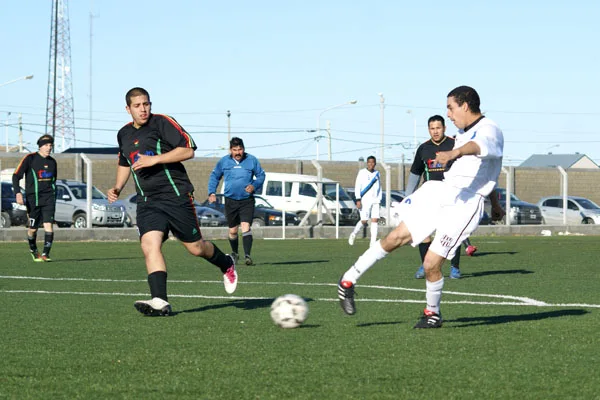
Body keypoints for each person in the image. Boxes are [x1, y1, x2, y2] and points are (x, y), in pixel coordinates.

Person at [337, 86, 505, 328]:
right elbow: (486, 172)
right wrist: (497, 203)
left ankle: (432, 314)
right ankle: (348, 281)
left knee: (431, 264)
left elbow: (480, 149)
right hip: (442, 191)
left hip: (465, 204)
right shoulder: (462, 131)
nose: (448, 114)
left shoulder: (489, 129)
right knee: (395, 237)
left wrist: (454, 153)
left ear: (465, 105)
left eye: (450, 107)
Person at [107, 87, 237, 317]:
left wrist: (154, 160)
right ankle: (160, 300)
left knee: (196, 248)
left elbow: (188, 150)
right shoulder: (123, 134)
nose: (143, 109)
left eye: (146, 104)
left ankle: (225, 262)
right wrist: (117, 187)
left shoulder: (162, 122)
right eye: (137, 106)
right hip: (147, 202)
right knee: (149, 245)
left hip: (175, 196)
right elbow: (125, 163)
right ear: (128, 109)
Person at [406, 115, 478, 279]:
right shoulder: (423, 148)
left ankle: (455, 267)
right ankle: (425, 265)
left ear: (444, 128)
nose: (435, 131)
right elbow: (415, 173)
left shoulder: (454, 144)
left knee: (451, 231)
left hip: (452, 195)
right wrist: (408, 197)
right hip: (429, 196)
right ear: (429, 130)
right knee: (424, 233)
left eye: (438, 128)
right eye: (432, 128)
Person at [207, 137, 265, 266]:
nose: (238, 152)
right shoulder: (224, 162)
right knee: (233, 230)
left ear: (243, 149)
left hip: (246, 200)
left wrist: (254, 185)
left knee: (246, 226)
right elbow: (215, 176)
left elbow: (261, 175)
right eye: (235, 150)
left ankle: (247, 256)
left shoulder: (251, 160)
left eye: (240, 149)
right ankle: (235, 252)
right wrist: (211, 192)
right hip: (230, 200)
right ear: (230, 150)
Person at [12, 134, 58, 262]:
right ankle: (33, 250)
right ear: (40, 146)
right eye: (46, 145)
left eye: (51, 145)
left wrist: (54, 196)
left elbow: (54, 181)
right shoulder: (30, 159)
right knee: (33, 228)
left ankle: (45, 254)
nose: (49, 148)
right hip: (34, 199)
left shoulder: (52, 162)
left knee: (49, 225)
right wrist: (18, 193)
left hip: (49, 198)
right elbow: (16, 176)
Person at [348, 155, 382, 247]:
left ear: (375, 163)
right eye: (369, 162)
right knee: (364, 221)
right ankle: (353, 234)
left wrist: (379, 199)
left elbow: (379, 187)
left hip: (375, 200)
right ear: (367, 163)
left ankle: (372, 243)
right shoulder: (362, 172)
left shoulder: (377, 173)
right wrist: (358, 199)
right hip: (365, 200)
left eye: (373, 162)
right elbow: (357, 186)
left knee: (375, 220)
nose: (371, 164)